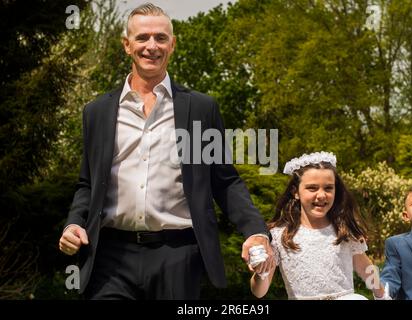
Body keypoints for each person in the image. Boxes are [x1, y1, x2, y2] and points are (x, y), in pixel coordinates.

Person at [58, 2, 273, 300]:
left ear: (172, 45)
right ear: (126, 45)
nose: (151, 46)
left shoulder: (200, 109)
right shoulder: (96, 112)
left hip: (178, 255)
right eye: (142, 38)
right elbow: (87, 184)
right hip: (109, 256)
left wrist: (255, 230)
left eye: (160, 38)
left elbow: (224, 180)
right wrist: (73, 223)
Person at [250, 151, 386, 300]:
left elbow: (367, 270)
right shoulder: (279, 236)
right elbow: (259, 292)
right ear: (296, 192)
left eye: (328, 188)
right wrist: (261, 272)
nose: (321, 195)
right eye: (312, 188)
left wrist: (382, 296)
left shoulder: (344, 230)